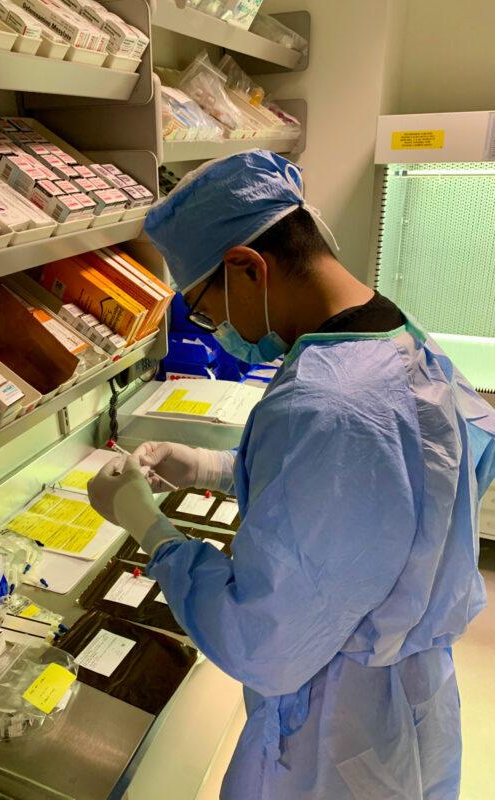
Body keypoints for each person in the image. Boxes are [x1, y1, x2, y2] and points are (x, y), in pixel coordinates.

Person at [87, 150, 495, 800]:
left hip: (333, 731)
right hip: (412, 700)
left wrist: (152, 530)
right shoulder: (399, 339)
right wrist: (213, 467)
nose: (216, 332)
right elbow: (384, 491)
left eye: (203, 308)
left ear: (248, 268)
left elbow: (263, 643)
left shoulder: (325, 403)